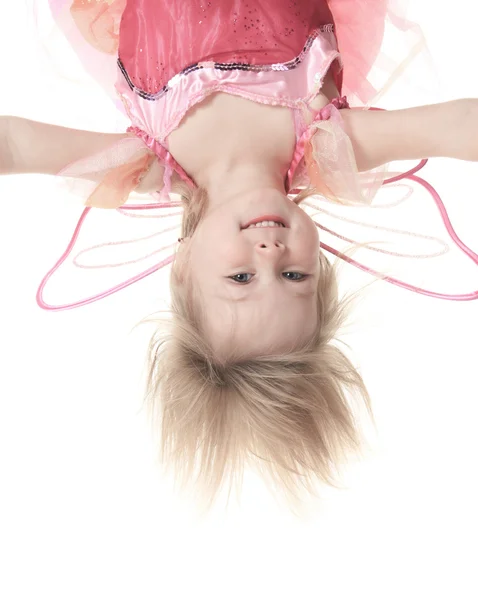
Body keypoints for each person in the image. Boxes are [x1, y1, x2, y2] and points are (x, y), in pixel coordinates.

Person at [2, 0, 477, 514]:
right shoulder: (327, 146)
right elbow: (460, 126)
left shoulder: (145, 165)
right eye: (295, 275)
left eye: (242, 277)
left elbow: (15, 146)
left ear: (183, 267)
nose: (271, 254)